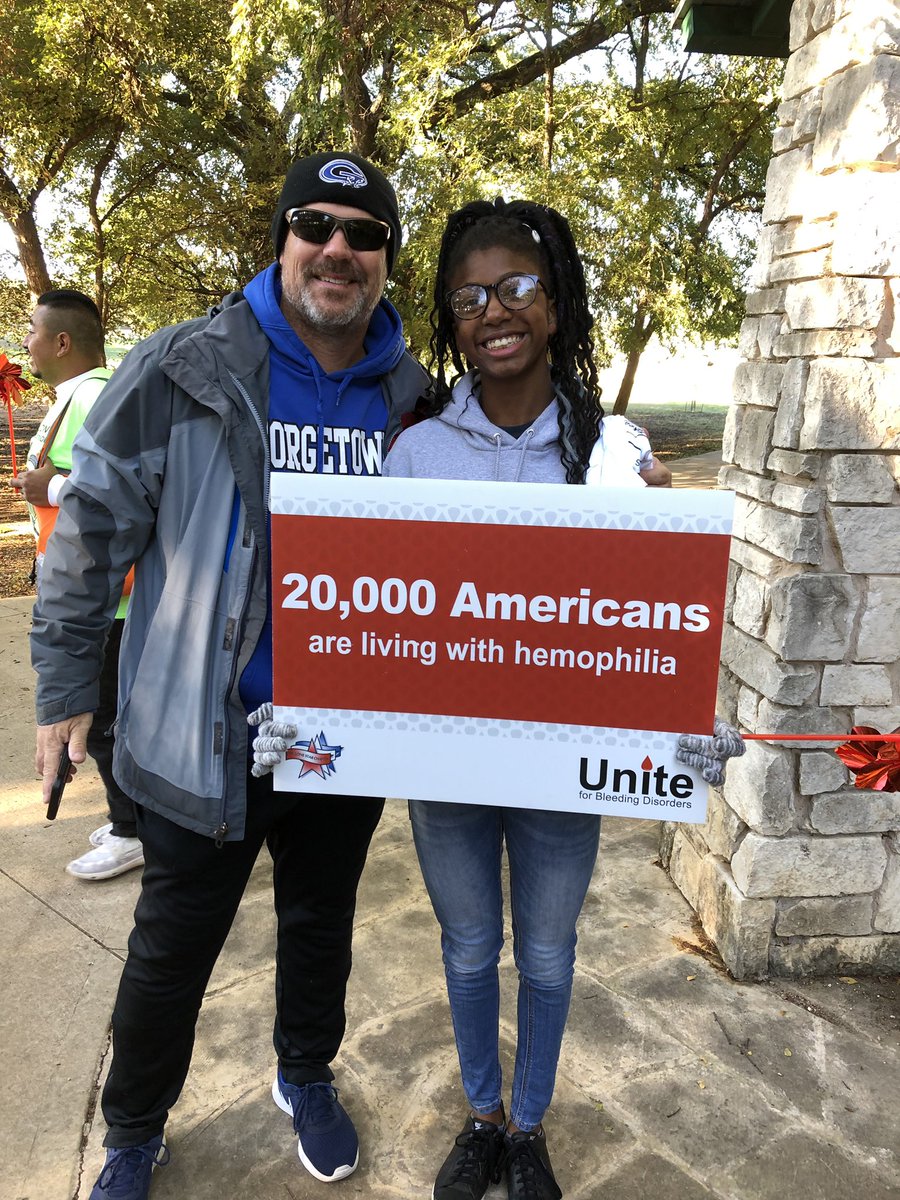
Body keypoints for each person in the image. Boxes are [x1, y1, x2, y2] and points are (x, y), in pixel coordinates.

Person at [30, 152, 429, 1200]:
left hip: (345, 735)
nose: (338, 247)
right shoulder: (180, 368)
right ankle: (133, 1130)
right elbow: (89, 532)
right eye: (316, 224)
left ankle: (304, 1074)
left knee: (318, 924)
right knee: (172, 950)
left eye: (364, 231)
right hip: (205, 729)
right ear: (284, 239)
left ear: (386, 257)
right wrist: (65, 686)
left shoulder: (416, 398)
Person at [381, 198, 742, 1200]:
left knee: (544, 953)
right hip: (448, 766)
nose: (491, 310)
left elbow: (644, 623)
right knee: (466, 951)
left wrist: (684, 714)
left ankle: (528, 1126)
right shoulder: (414, 457)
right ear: (450, 322)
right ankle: (481, 1115)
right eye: (466, 297)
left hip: (559, 769)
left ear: (555, 305)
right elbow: (376, 615)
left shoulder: (616, 453)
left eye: (515, 288)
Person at [12, 290, 142, 880]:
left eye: (33, 331)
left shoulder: (93, 397)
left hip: (107, 601)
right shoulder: (80, 396)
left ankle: (130, 829)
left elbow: (119, 486)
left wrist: (53, 487)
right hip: (88, 590)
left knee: (105, 721)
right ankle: (128, 817)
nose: (26, 343)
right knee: (106, 716)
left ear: (63, 342)